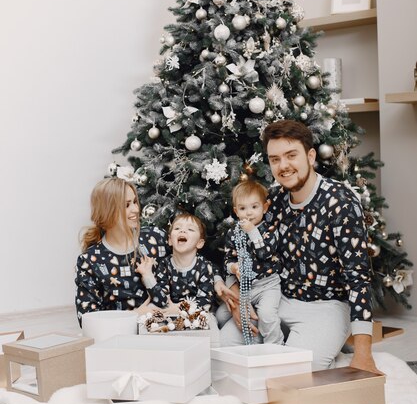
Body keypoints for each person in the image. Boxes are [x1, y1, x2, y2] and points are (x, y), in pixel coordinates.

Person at [221, 119, 378, 373]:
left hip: (327, 305)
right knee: (226, 348)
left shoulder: (340, 202)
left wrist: (364, 354)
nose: (283, 166)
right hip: (277, 297)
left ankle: (326, 349)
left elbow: (358, 278)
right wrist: (239, 299)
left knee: (294, 370)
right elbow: (241, 245)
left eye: (291, 155)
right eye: (275, 159)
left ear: (311, 155)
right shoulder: (274, 198)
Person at [75, 175, 169, 325]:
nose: (136, 209)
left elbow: (193, 262)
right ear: (108, 211)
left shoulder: (155, 238)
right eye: (127, 205)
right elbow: (86, 320)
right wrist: (135, 315)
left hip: (166, 331)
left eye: (134, 202)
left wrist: (216, 280)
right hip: (121, 340)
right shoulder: (90, 261)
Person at [216, 179, 283, 344]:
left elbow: (265, 253)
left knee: (267, 314)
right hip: (245, 287)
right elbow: (227, 260)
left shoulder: (269, 230)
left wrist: (253, 232)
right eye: (243, 208)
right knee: (221, 315)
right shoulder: (233, 233)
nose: (249, 213)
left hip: (267, 285)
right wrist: (234, 267)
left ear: (264, 207)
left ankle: (275, 345)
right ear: (236, 211)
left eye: (254, 207)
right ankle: (245, 335)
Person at [154, 212, 235, 314]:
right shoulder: (164, 265)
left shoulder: (204, 267)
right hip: (171, 315)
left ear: (199, 243)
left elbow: (205, 301)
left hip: (200, 317)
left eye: (190, 229)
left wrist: (180, 309)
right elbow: (161, 296)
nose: (182, 230)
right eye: (177, 228)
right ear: (170, 240)